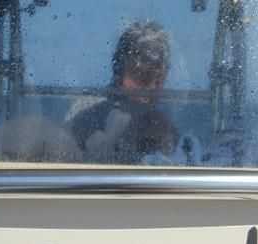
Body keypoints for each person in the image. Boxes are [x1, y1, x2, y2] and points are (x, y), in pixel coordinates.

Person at [67, 20, 180, 164]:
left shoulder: (165, 124)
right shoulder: (86, 114)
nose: (151, 88)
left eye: (159, 79)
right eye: (142, 75)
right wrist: (111, 135)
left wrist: (165, 144)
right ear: (120, 72)